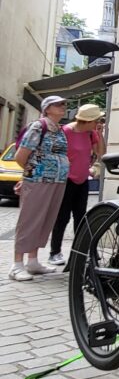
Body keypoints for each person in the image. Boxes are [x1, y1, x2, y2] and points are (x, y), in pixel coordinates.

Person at [9, 96, 69, 281]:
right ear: (47, 108)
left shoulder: (59, 129)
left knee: (44, 220)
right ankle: (17, 264)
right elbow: (21, 156)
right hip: (38, 180)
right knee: (29, 220)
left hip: (56, 181)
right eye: (58, 104)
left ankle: (33, 261)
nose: (63, 107)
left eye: (64, 104)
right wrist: (32, 175)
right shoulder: (38, 126)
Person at [47, 104, 106, 266]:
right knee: (62, 217)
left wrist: (100, 134)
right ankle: (55, 252)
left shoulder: (91, 133)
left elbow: (101, 152)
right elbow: (54, 154)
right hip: (66, 181)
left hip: (82, 180)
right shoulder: (65, 132)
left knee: (81, 218)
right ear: (88, 120)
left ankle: (82, 251)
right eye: (97, 120)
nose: (98, 122)